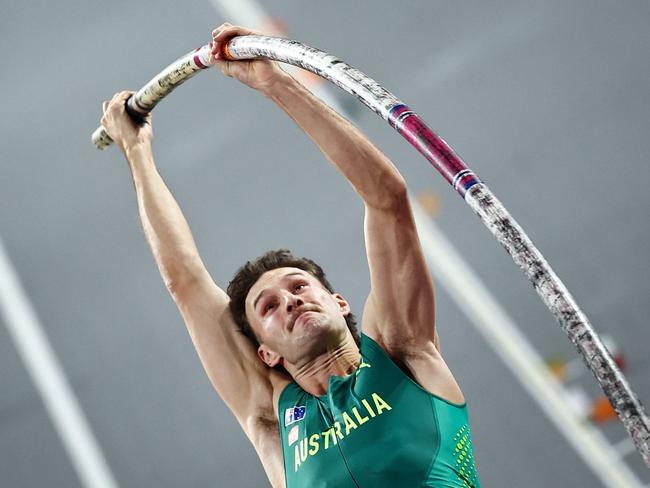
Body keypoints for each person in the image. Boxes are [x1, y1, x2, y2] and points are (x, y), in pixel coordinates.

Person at [99, 22, 480, 488]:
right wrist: (137, 153)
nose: (291, 301)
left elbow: (387, 200)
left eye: (299, 286)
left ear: (340, 303)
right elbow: (186, 283)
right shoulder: (272, 423)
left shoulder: (401, 354)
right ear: (266, 352)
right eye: (270, 307)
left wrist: (275, 82)